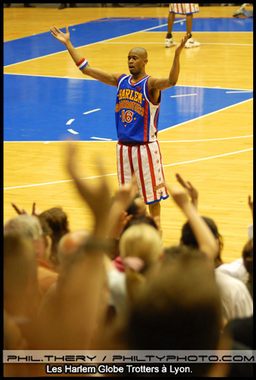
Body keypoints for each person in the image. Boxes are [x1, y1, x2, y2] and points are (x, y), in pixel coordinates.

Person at [50, 26, 191, 226]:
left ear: (145, 61)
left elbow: (172, 81)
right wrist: (68, 44)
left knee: (152, 199)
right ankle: (128, 232)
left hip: (145, 149)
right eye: (129, 58)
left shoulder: (150, 85)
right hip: (123, 149)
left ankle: (156, 231)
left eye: (135, 58)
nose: (131, 61)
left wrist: (176, 54)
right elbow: (86, 69)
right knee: (127, 198)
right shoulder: (120, 80)